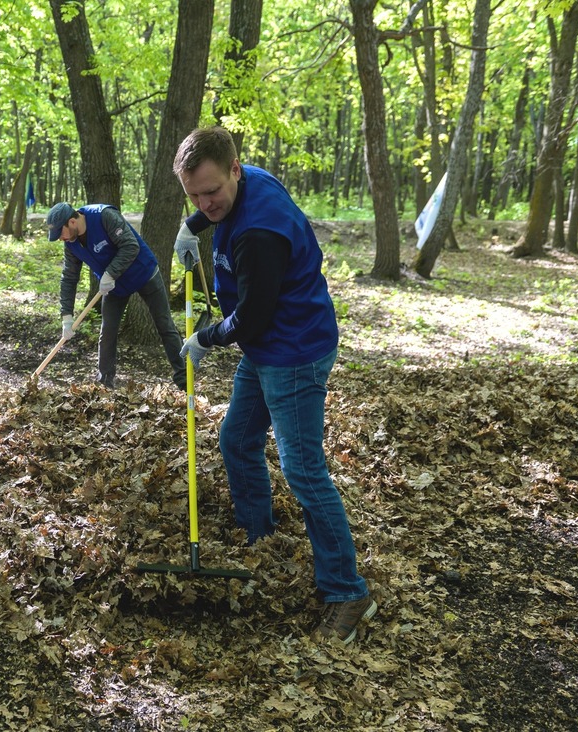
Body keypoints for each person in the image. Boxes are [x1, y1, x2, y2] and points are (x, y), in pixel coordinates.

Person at [172, 126, 376, 644]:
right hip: (269, 348)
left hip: (293, 350)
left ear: (235, 170)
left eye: (211, 191)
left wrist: (205, 337)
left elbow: (254, 318)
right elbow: (215, 206)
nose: (204, 201)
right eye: (192, 194)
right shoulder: (250, 180)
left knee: (304, 470)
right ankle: (258, 533)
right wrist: (192, 225)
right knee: (237, 439)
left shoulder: (258, 233)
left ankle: (347, 591)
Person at [46, 202, 186, 391]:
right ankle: (105, 384)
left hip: (144, 274)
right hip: (113, 287)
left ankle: (184, 377)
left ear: (72, 222)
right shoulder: (71, 243)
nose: (61, 239)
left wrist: (110, 273)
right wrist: (66, 317)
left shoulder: (104, 216)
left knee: (165, 325)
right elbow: (69, 277)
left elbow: (130, 245)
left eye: (60, 233)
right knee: (108, 332)